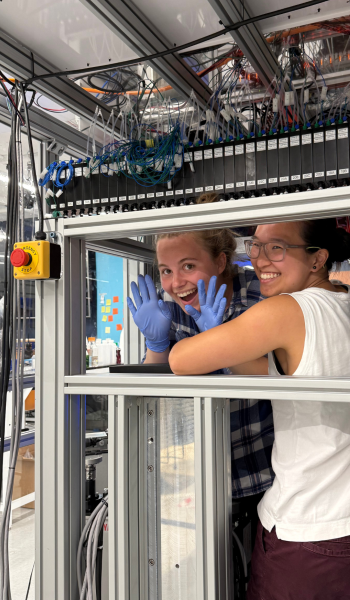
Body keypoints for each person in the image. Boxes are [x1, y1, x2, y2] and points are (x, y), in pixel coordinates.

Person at [166, 218, 350, 600]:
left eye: (277, 248)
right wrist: (220, 338)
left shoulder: (287, 309)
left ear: (317, 258)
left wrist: (174, 339)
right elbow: (275, 371)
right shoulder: (348, 300)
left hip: (303, 533)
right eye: (255, 246)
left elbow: (180, 360)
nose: (259, 260)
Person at [125, 228, 276, 597]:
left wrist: (221, 338)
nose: (176, 282)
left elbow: (272, 382)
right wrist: (156, 345)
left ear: (221, 261)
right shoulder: (172, 311)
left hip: (262, 468)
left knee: (262, 576)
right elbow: (154, 395)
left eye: (188, 266)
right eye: (165, 270)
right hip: (200, 474)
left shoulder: (259, 295)